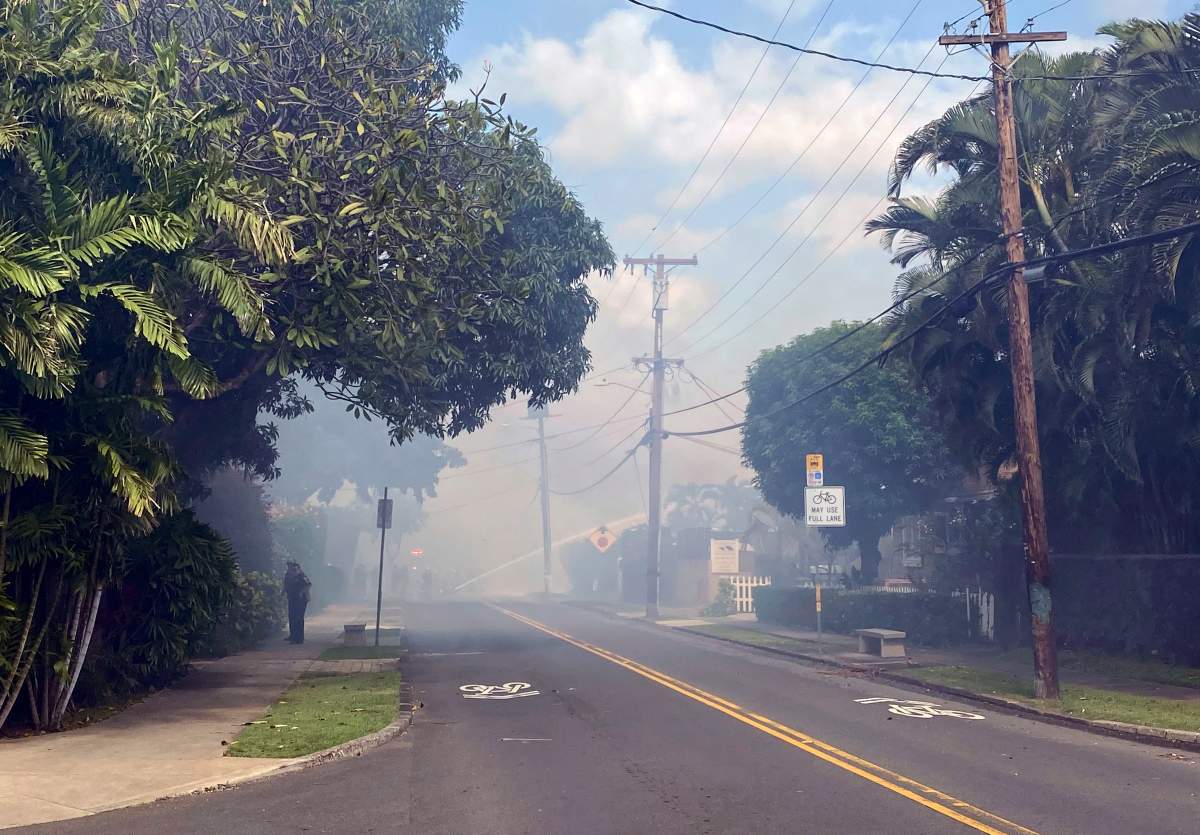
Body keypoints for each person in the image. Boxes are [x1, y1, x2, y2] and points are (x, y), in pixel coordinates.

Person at [283, 561, 312, 644]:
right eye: (288, 566)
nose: (289, 568)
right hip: (292, 599)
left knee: (298, 618)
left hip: (301, 600)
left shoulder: (301, 575)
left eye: (291, 566)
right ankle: (293, 635)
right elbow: (286, 585)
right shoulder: (288, 575)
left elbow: (308, 584)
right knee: (292, 617)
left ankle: (299, 638)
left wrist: (302, 592)